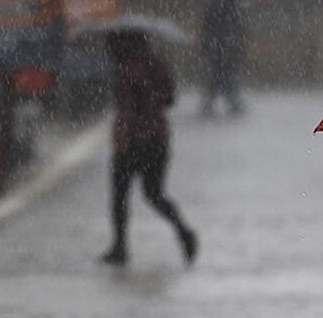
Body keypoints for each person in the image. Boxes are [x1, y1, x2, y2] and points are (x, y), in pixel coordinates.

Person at [102, 31, 197, 266]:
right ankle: (183, 231)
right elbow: (170, 99)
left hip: (130, 140)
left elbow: (124, 106)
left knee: (120, 196)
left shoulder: (123, 68)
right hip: (158, 139)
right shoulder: (157, 63)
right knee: (154, 194)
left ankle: (120, 247)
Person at [200, 0, 246, 117]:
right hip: (224, 49)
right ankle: (231, 101)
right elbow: (237, 27)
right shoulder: (230, 8)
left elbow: (207, 28)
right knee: (224, 76)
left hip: (220, 49)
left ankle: (214, 102)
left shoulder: (217, 8)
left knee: (219, 76)